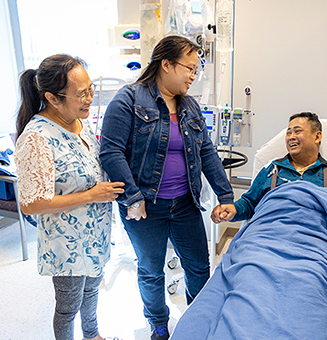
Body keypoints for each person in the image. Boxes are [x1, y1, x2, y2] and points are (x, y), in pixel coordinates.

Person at [99, 35, 234, 340]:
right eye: (189, 68)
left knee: (199, 267)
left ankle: (198, 321)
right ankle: (158, 324)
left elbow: (207, 153)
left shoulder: (190, 107)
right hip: (145, 207)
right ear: (166, 64)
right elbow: (110, 151)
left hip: (185, 204)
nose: (192, 75)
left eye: (195, 70)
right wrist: (132, 196)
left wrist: (225, 195)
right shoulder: (129, 100)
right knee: (150, 270)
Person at [14, 54, 125, 340]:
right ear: (52, 98)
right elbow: (31, 203)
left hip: (95, 233)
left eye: (91, 89)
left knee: (91, 291)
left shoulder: (80, 123)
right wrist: (91, 195)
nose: (89, 98)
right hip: (67, 243)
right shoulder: (36, 138)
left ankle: (93, 335)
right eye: (81, 94)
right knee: (68, 306)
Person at [212, 112, 327, 274]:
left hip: (316, 246)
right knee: (246, 273)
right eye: (288, 132)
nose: (291, 137)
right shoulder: (272, 170)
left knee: (311, 283)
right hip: (264, 241)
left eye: (297, 131)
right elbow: (250, 203)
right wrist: (233, 210)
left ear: (317, 137)